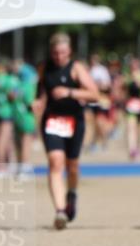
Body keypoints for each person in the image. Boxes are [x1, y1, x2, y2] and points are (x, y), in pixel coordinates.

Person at [33, 33, 100, 229]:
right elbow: (42, 91)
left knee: (72, 166)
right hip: (52, 121)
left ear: (69, 51)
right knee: (55, 162)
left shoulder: (76, 68)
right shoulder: (44, 67)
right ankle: (60, 211)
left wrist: (70, 92)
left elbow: (95, 94)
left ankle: (72, 193)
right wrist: (38, 102)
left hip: (74, 121)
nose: (59, 57)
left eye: (62, 52)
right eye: (55, 53)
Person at [11, 58, 38, 173]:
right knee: (26, 141)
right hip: (26, 116)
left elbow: (11, 97)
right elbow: (30, 102)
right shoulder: (28, 85)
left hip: (17, 115)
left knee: (19, 141)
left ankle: (19, 163)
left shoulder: (17, 84)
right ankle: (24, 164)